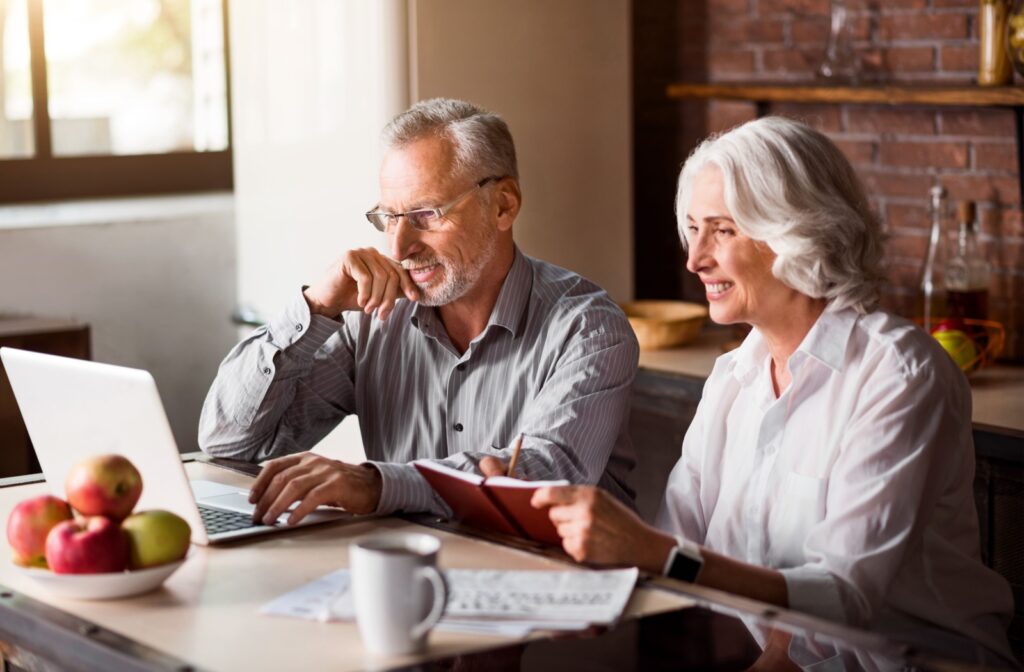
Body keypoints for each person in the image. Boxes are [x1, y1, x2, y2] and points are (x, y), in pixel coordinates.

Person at [529, 117, 1015, 663]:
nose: (695, 259)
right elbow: (674, 553)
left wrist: (655, 553)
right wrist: (523, 510)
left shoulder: (899, 375)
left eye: (723, 230)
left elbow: (840, 596)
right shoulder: (733, 378)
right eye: (693, 229)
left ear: (797, 232)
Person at [198, 98, 638, 527]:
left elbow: (541, 481)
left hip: (549, 586)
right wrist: (316, 306)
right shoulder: (372, 320)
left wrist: (377, 485)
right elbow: (228, 442)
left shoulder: (588, 328)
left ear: (503, 204)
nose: (399, 247)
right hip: (415, 579)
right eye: (389, 217)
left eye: (425, 214)